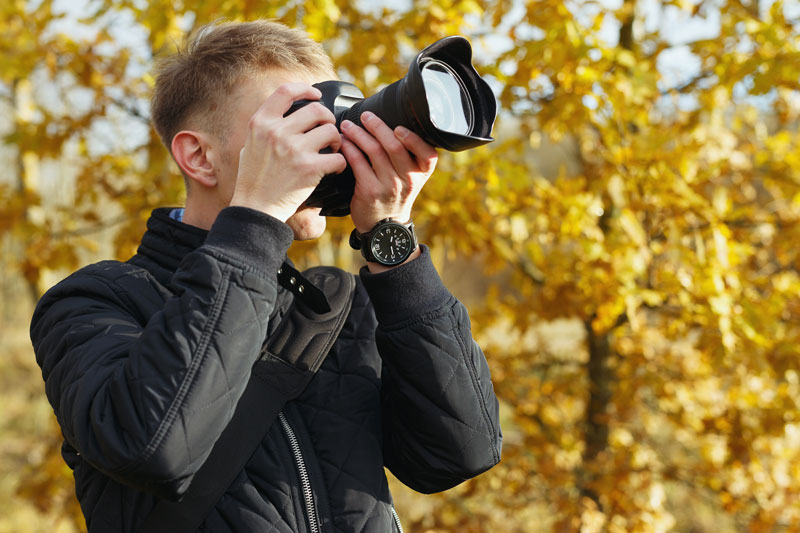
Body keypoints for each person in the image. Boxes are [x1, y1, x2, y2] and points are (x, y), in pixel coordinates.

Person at [30, 19, 501, 532]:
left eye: (333, 123)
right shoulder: (90, 302)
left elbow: (457, 453)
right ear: (199, 157)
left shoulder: (335, 306)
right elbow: (153, 448)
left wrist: (391, 241)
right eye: (294, 127)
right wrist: (257, 219)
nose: (327, 149)